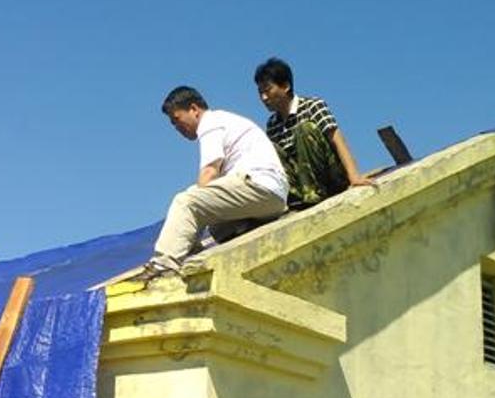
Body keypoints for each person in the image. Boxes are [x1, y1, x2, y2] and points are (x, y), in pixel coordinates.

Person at [140, 86, 289, 280]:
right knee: (217, 227)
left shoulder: (210, 123)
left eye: (177, 119)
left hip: (259, 186)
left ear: (194, 109)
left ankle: (164, 264)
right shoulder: (225, 120)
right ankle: (193, 256)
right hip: (271, 193)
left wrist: (194, 213)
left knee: (186, 202)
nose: (177, 128)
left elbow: (210, 171)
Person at [255, 57, 375, 208]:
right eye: (260, 92)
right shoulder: (272, 124)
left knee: (304, 129)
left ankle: (313, 193)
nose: (264, 97)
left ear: (285, 86)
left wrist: (354, 176)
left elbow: (337, 139)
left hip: (330, 178)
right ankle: (294, 197)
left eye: (267, 90)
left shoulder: (312, 106)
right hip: (301, 184)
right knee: (269, 149)